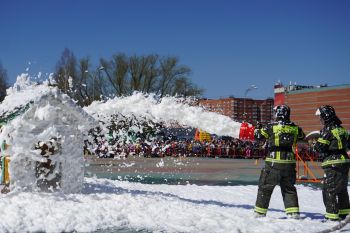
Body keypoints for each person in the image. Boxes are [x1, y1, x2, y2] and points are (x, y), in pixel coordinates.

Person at [254, 105, 305, 218]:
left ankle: (259, 213)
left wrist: (257, 127)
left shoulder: (271, 127)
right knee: (289, 188)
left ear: (278, 114)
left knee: (265, 187)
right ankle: (293, 213)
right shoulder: (295, 128)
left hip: (273, 162)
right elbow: (302, 136)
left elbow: (258, 136)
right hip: (289, 163)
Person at [313, 105, 350, 221]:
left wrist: (315, 143)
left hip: (332, 163)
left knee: (329, 190)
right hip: (344, 161)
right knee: (342, 189)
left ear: (326, 116)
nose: (320, 119)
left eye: (321, 117)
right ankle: (345, 213)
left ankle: (331, 217)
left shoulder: (327, 130)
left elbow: (319, 148)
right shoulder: (342, 130)